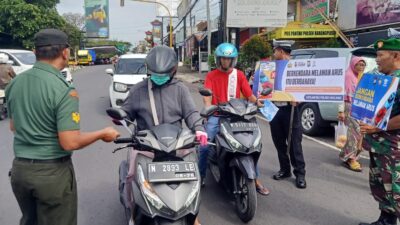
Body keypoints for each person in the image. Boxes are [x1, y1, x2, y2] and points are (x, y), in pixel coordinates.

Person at [5, 29, 120, 225]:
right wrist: (103, 133)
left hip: (20, 173)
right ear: (65, 53)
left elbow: (14, 126)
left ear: (35, 52)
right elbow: (69, 142)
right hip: (51, 175)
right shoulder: (63, 90)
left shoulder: (15, 84)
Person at [121, 46, 207, 225]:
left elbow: (191, 112)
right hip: (146, 148)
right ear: (148, 71)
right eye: (155, 73)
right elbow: (125, 112)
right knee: (130, 176)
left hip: (178, 146)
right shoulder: (138, 90)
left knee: (192, 179)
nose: (159, 77)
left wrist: (199, 129)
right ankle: (133, 211)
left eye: (164, 73)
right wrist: (120, 117)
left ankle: (192, 214)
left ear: (173, 70)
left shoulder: (180, 89)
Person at [199, 43, 270, 196]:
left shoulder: (238, 75)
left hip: (236, 115)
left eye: (229, 59)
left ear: (233, 60)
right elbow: (207, 96)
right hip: (217, 115)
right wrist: (208, 108)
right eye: (223, 59)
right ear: (219, 59)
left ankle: (255, 179)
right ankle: (201, 175)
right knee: (204, 145)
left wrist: (257, 102)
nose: (226, 62)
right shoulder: (211, 76)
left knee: (250, 145)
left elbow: (249, 94)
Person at [359, 38, 400, 225]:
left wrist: (378, 127)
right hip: (377, 145)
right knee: (380, 187)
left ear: (396, 56)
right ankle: (386, 221)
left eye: (380, 55)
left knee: (397, 192)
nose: (376, 59)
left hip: (393, 148)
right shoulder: (382, 79)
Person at [270, 40, 307, 189]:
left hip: (290, 109)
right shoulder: (271, 67)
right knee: (279, 141)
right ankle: (285, 170)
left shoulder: (297, 67)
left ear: (280, 51)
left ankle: (300, 174)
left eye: (275, 51)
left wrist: (298, 98)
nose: (274, 54)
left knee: (294, 143)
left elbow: (306, 86)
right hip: (273, 109)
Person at [338, 57, 366, 172]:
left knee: (360, 133)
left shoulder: (362, 78)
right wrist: (340, 111)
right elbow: (341, 94)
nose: (361, 67)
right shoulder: (348, 76)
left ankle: (346, 155)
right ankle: (351, 158)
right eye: (358, 65)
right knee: (355, 133)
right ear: (353, 65)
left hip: (361, 107)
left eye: (363, 65)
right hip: (350, 106)